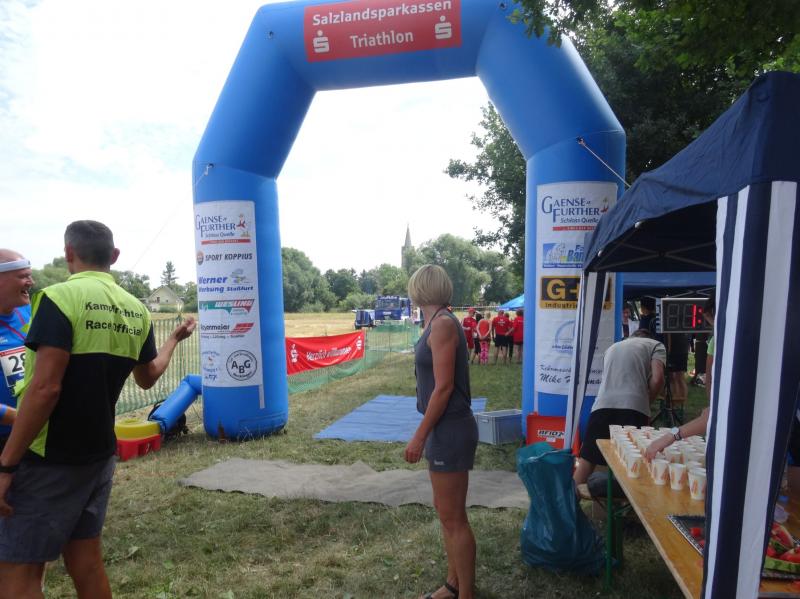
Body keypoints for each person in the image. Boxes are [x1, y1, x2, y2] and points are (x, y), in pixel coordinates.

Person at [0, 220, 196, 598]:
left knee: (18, 572)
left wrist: (7, 465)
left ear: (68, 253)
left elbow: (46, 388)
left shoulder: (58, 298)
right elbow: (148, 378)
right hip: (99, 454)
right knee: (86, 561)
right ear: (114, 256)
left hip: (47, 457)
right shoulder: (136, 309)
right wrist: (173, 339)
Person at [404, 264, 477, 599]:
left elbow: (444, 388)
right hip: (442, 427)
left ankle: (466, 594)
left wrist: (419, 436)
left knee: (454, 518)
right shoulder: (436, 322)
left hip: (450, 428)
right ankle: (453, 584)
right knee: (446, 514)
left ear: (419, 289)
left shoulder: (443, 324)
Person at [574, 329, 666, 485]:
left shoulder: (613, 347)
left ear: (631, 337)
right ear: (648, 338)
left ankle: (569, 498)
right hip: (634, 406)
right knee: (633, 460)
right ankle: (628, 498)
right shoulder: (656, 345)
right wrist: (648, 400)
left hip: (602, 405)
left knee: (588, 459)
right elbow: (658, 379)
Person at [0, 250, 34, 447]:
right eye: (23, 276)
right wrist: (18, 417)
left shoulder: (26, 311)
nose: (31, 282)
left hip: (27, 432)